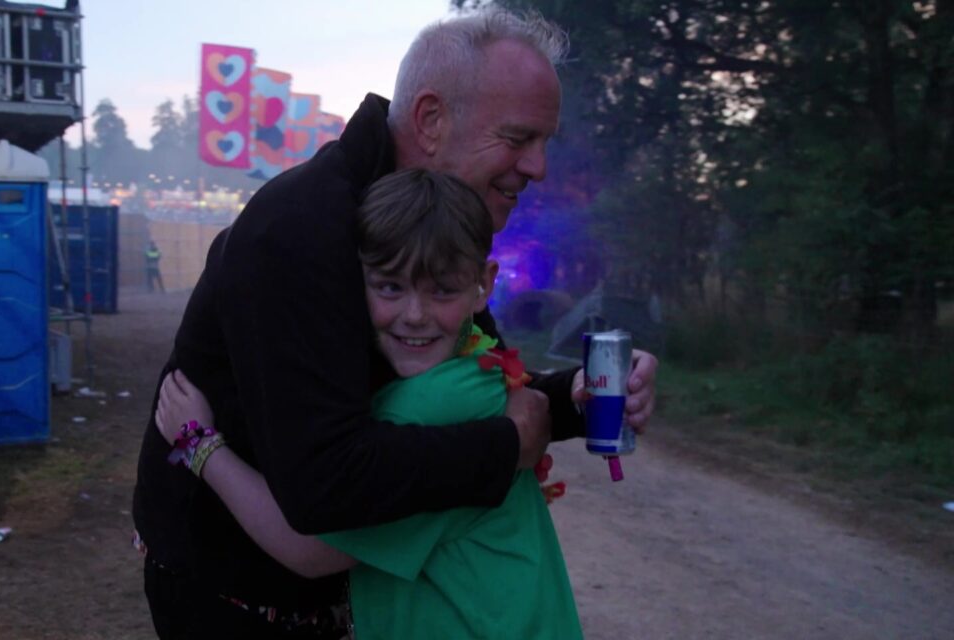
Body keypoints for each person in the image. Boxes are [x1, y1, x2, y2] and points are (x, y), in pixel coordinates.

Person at [132, 9, 659, 638]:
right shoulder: (302, 229)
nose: (539, 167)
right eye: (519, 138)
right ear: (432, 120)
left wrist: (574, 397)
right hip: (238, 600)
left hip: (332, 595)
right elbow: (322, 485)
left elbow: (471, 373)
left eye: (544, 141)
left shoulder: (429, 229)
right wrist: (503, 448)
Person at [155, 169, 583, 639]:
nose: (414, 315)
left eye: (441, 289)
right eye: (390, 287)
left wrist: (198, 443)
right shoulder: (479, 368)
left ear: (484, 286)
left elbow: (309, 551)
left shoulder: (430, 407)